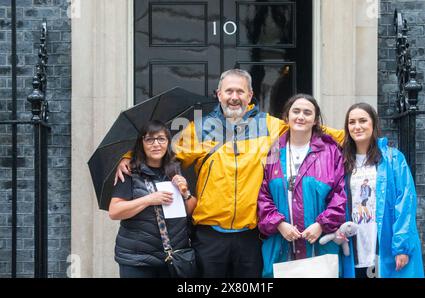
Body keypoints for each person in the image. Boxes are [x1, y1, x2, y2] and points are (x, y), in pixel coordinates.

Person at [116, 69, 289, 277]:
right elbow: (164, 152)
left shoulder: (269, 125)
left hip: (250, 235)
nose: (234, 97)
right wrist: (127, 156)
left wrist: (340, 142)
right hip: (209, 234)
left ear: (250, 95)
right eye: (229, 91)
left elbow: (308, 132)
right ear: (219, 94)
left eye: (240, 92)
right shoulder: (199, 128)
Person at [257, 94, 353, 278]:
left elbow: (340, 194)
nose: (301, 116)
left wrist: (321, 224)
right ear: (287, 116)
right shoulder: (274, 152)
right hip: (281, 246)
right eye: (296, 111)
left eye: (307, 113)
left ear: (315, 120)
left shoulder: (331, 152)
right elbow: (264, 195)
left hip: (319, 246)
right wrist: (279, 223)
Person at [343, 102, 424, 278]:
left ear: (373, 124)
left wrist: (401, 247)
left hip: (385, 243)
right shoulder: (342, 161)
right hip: (353, 246)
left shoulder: (393, 158)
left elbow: (405, 202)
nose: (357, 126)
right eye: (352, 122)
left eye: (363, 120)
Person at [109, 120, 197, 278]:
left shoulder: (175, 171)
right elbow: (114, 212)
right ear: (141, 143)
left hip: (172, 257)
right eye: (150, 139)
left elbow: (190, 211)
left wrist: (185, 193)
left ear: (168, 142)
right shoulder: (129, 172)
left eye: (161, 139)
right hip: (137, 260)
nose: (156, 144)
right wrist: (149, 199)